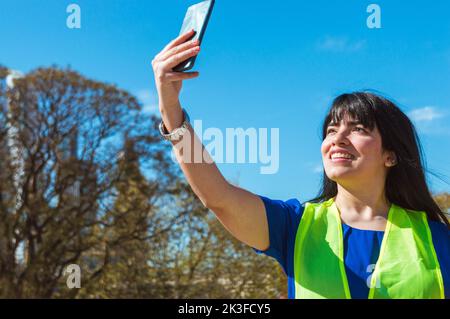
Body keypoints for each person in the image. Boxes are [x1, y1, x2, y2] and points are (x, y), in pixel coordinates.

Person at [150, 29, 450, 299]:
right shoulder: (295, 226)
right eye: (331, 130)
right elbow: (218, 197)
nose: (338, 138)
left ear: (391, 155)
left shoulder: (438, 239)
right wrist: (171, 112)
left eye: (358, 129)